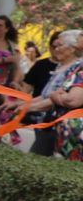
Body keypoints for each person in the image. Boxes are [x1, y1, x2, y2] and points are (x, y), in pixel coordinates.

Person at [20, 30, 82, 159]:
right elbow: (48, 95)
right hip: (57, 126)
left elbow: (72, 100)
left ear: (72, 48)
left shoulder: (77, 67)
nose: (56, 49)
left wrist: (55, 96)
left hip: (66, 128)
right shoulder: (69, 67)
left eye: (60, 45)